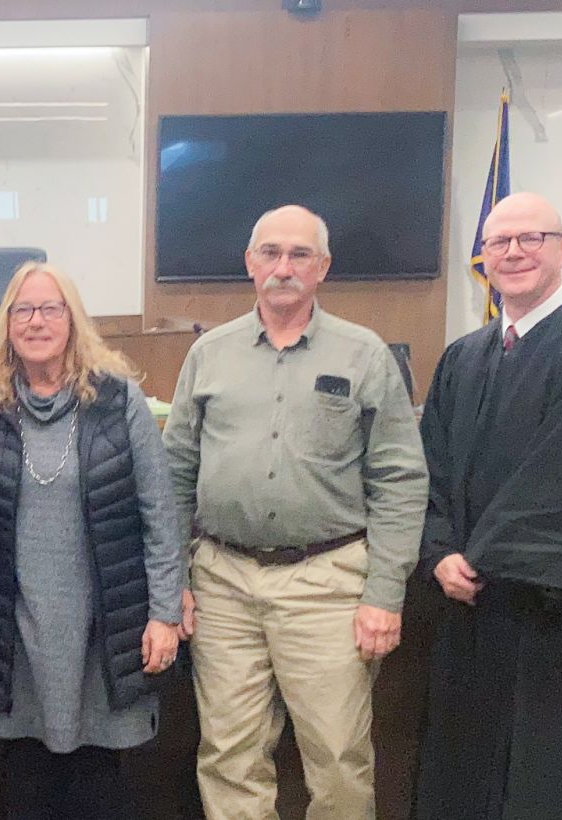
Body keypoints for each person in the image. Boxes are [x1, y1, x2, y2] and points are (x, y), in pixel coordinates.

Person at [162, 205, 427, 820]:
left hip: (328, 582)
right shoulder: (209, 354)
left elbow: (400, 480)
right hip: (222, 580)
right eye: (271, 253)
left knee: (337, 758)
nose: (284, 267)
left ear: (323, 267)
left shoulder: (364, 356)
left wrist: (384, 594)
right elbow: (174, 474)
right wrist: (172, 579)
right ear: (250, 263)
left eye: (299, 255)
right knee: (229, 755)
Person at [413, 192, 562, 820]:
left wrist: (487, 563)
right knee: (463, 778)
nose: (515, 252)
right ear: (485, 259)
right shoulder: (463, 360)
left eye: (532, 238)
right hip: (467, 612)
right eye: (500, 242)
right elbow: (429, 472)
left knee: (547, 784)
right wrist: (440, 553)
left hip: (560, 618)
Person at [0, 262, 185, 820]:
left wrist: (165, 614)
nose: (36, 321)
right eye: (22, 310)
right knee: (26, 781)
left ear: (73, 320)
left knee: (98, 783)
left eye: (50, 308)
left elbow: (160, 514)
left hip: (105, 627)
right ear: (7, 325)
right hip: (15, 628)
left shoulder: (118, 401)